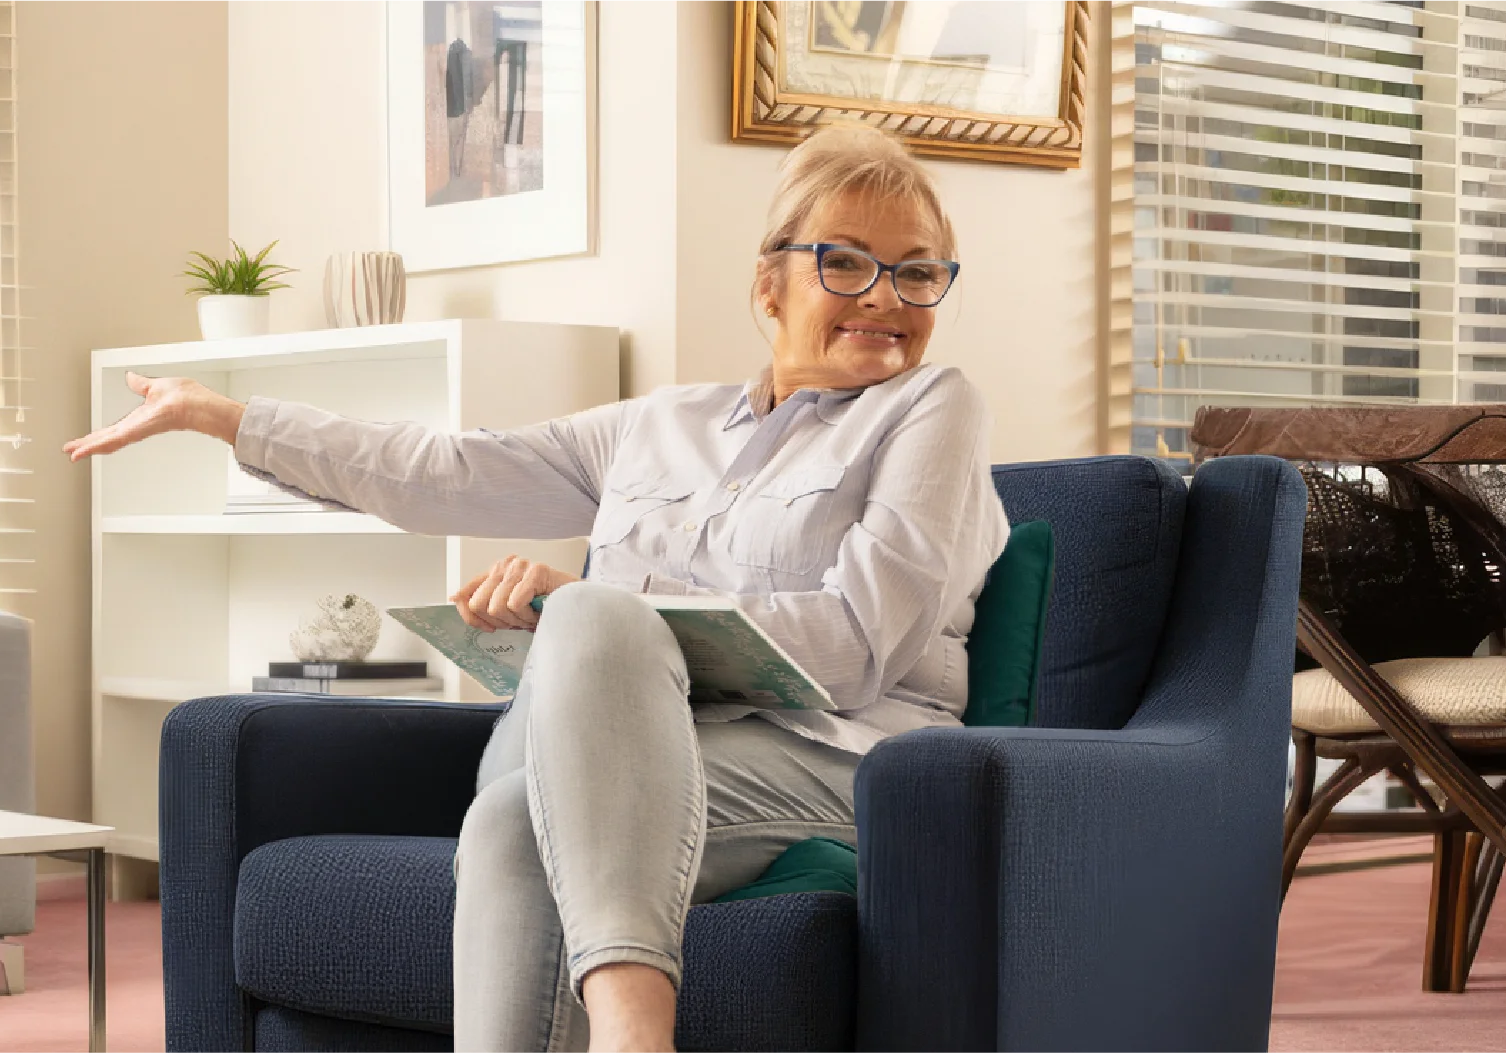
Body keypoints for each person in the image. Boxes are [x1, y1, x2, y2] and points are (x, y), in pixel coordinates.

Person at [63, 122, 1004, 1054]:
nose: (884, 297)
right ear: (770, 283)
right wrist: (225, 418)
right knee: (517, 809)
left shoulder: (932, 408)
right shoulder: (658, 423)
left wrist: (605, 619)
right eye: (844, 263)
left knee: (584, 645)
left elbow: (851, 645)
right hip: (630, 756)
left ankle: (633, 1039)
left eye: (917, 273)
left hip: (841, 759)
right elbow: (445, 470)